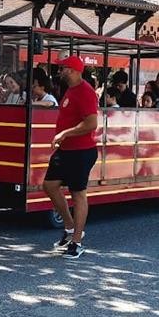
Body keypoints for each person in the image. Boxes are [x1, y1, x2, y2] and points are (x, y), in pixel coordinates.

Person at [43, 56, 99, 259]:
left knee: (78, 194)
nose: (60, 71)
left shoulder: (85, 92)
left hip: (81, 151)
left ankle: (77, 242)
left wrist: (64, 133)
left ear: (74, 70)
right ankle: (69, 227)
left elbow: (91, 123)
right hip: (66, 150)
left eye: (64, 68)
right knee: (49, 185)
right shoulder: (71, 89)